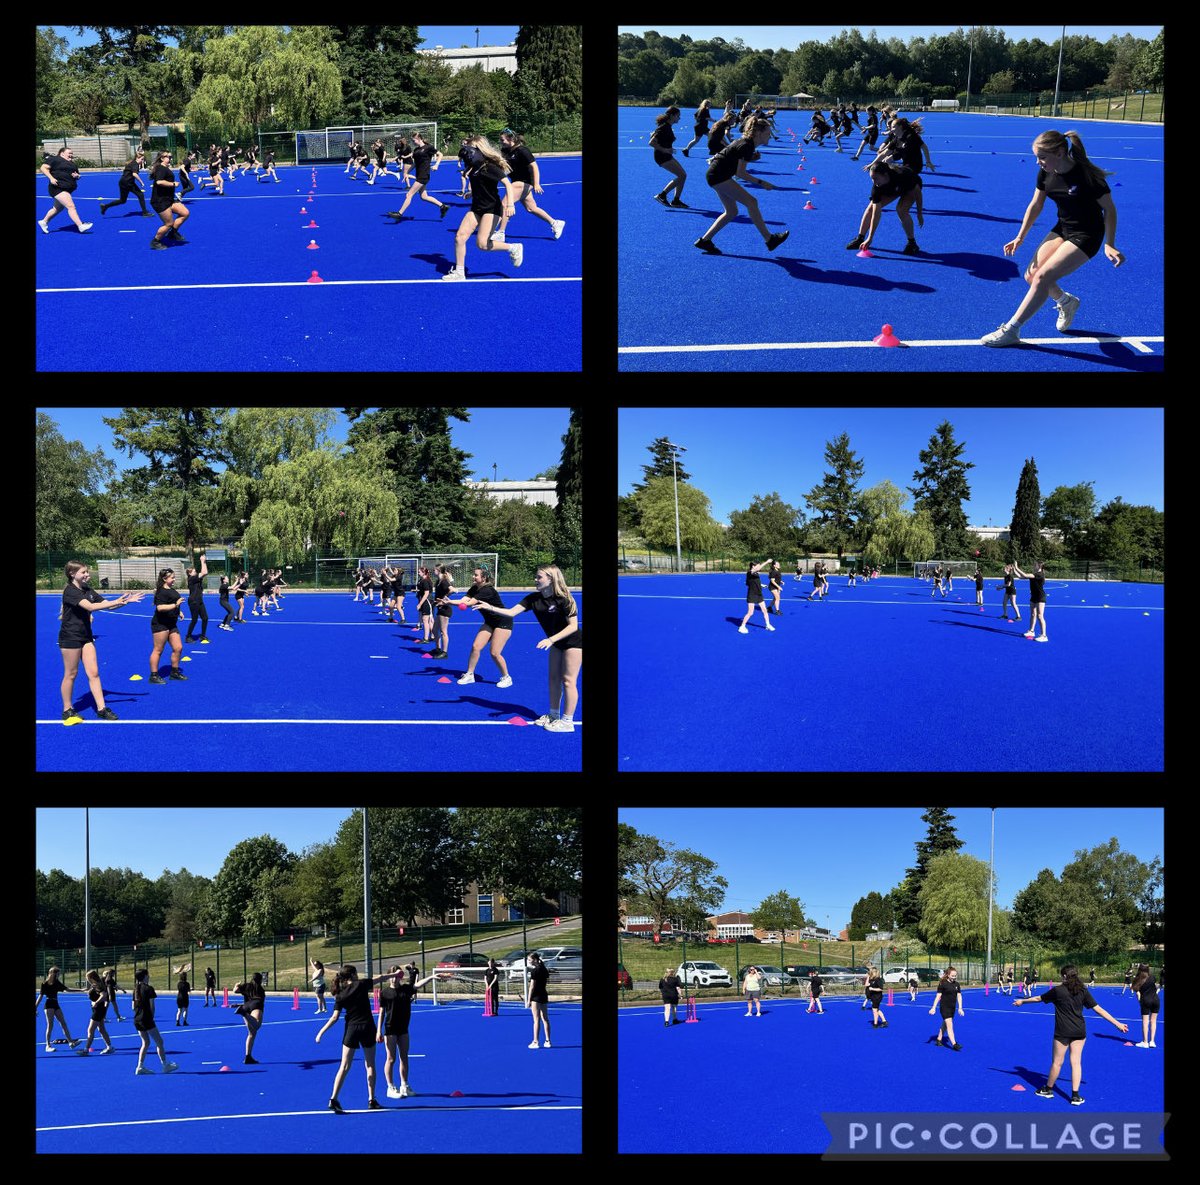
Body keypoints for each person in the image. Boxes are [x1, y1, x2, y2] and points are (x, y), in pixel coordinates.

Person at [982, 129, 1123, 347]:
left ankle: (1011, 330)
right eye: (1036, 157)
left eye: (1042, 157)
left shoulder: (1088, 177)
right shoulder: (1046, 173)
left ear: (1059, 152)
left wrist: (1109, 244)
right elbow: (1036, 205)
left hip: (1087, 235)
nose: (1038, 162)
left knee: (1042, 278)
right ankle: (1066, 302)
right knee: (1031, 276)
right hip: (1063, 228)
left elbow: (1110, 210)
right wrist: (1020, 237)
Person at [462, 565, 582, 732]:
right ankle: (553, 715)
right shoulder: (533, 598)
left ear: (551, 579)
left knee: (568, 681)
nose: (535, 579)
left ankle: (567, 722)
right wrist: (489, 607)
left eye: (539, 577)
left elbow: (573, 627)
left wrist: (550, 639)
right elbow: (511, 612)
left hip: (573, 643)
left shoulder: (564, 599)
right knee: (553, 679)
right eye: (536, 576)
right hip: (556, 643)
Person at [1014, 964, 1128, 1105]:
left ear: (1064, 976)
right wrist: (1118, 1024)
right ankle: (1075, 1096)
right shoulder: (1082, 990)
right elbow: (1099, 1009)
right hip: (1079, 1031)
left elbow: (1038, 999)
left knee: (1057, 1062)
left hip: (1062, 1032)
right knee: (1076, 1062)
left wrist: (1022, 1001)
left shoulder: (1057, 991)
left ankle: (1047, 1089)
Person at [58, 561, 147, 723]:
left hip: (86, 637)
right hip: (70, 637)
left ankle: (101, 708)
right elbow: (90, 607)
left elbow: (106, 605)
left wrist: (124, 601)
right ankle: (67, 709)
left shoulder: (88, 590)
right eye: (83, 572)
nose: (87, 575)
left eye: (87, 572)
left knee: (94, 672)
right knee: (71, 674)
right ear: (72, 574)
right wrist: (117, 601)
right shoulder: (70, 591)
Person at [694, 116, 789, 256]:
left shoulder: (747, 144)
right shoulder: (747, 145)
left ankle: (705, 241)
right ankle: (769, 239)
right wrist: (762, 183)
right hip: (719, 176)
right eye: (768, 133)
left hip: (716, 174)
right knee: (752, 202)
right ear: (758, 133)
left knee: (731, 212)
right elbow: (741, 174)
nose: (770, 135)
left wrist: (750, 158)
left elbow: (730, 153)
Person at [441, 135, 524, 282]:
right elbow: (482, 185)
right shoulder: (473, 168)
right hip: (476, 207)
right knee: (460, 237)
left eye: (470, 149)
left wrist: (510, 204)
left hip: (492, 209)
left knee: (482, 244)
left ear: (479, 149)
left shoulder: (489, 167)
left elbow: (507, 184)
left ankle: (513, 247)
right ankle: (460, 273)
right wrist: (471, 193)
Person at [315, 965, 383, 1112]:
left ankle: (333, 1098)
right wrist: (394, 975)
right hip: (367, 1027)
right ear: (352, 975)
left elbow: (334, 1017)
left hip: (351, 1030)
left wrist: (321, 1032)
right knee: (370, 1064)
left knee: (344, 1066)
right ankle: (372, 1099)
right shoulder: (361, 985)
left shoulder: (340, 995)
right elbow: (380, 979)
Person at [443, 566, 513, 688]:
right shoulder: (475, 588)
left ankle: (507, 677)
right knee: (476, 646)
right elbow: (464, 600)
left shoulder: (487, 590)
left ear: (484, 578)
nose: (473, 577)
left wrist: (453, 603)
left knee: (494, 652)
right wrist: (450, 602)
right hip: (490, 621)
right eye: (474, 574)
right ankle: (470, 674)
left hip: (503, 621)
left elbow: (469, 603)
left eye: (476, 575)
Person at [376, 963, 436, 1097]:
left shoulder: (406, 989)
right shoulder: (385, 993)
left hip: (403, 1029)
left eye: (398, 976)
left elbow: (418, 984)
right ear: (390, 977)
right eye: (394, 976)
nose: (396, 979)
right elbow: (381, 1012)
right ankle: (390, 1087)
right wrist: (378, 1031)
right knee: (391, 1059)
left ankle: (404, 1085)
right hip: (390, 1029)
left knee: (404, 1057)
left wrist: (432, 977)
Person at [846, 158, 924, 256]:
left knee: (901, 210)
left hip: (909, 188)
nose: (874, 182)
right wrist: (869, 238)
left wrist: (919, 213)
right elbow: (876, 213)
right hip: (891, 188)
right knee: (870, 208)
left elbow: (917, 193)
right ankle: (860, 238)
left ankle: (912, 243)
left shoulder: (903, 175)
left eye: (876, 178)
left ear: (885, 175)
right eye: (872, 179)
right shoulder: (877, 187)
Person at [497, 130, 565, 241]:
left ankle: (501, 232)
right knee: (531, 208)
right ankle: (555, 222)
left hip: (524, 182)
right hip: (517, 182)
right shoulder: (506, 151)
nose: (501, 142)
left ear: (511, 139)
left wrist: (537, 184)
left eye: (502, 140)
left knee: (505, 204)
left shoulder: (523, 151)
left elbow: (534, 167)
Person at [385, 131, 450, 223]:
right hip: (419, 175)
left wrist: (436, 165)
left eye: (413, 140)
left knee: (409, 194)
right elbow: (415, 164)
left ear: (418, 138)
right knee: (424, 196)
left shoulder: (428, 148)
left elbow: (440, 154)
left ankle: (399, 214)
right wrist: (407, 173)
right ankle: (443, 206)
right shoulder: (416, 150)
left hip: (424, 175)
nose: (412, 142)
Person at [131, 968, 179, 1075]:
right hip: (146, 1019)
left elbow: (133, 1006)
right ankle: (165, 1065)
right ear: (145, 976)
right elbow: (152, 1007)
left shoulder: (136, 989)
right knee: (159, 1042)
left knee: (146, 1042)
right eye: (148, 975)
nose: (149, 976)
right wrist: (150, 1018)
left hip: (137, 1019)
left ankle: (140, 1066)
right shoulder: (149, 989)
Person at [37, 146, 93, 234]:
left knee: (57, 208)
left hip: (67, 189)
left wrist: (77, 176)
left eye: (72, 153)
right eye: (69, 153)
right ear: (62, 153)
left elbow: (77, 174)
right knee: (71, 206)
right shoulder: (55, 159)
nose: (71, 155)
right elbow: (43, 168)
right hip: (57, 187)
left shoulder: (72, 164)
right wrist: (51, 178)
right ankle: (80, 225)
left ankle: (44, 221)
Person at [148, 569, 187, 683]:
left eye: (174, 577)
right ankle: (154, 676)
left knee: (178, 648)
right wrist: (175, 605)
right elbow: (160, 608)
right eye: (172, 578)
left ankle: (174, 672)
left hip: (171, 624)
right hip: (161, 624)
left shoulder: (171, 589)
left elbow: (174, 603)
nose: (174, 579)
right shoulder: (161, 591)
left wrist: (178, 611)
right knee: (158, 650)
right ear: (165, 579)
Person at [148, 151, 190, 250]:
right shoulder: (161, 168)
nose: (171, 158)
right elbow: (159, 182)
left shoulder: (164, 168)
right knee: (169, 223)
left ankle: (172, 233)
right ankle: (155, 241)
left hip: (169, 199)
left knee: (185, 213)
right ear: (162, 158)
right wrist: (173, 184)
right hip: (160, 201)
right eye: (168, 157)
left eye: (171, 156)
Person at [36, 966, 82, 1051]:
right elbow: (41, 996)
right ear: (52, 973)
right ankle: (48, 1046)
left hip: (55, 1004)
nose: (58, 975)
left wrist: (81, 990)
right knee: (50, 1025)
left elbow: (67, 989)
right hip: (49, 1004)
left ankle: (71, 1042)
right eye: (57, 974)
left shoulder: (57, 982)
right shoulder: (44, 983)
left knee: (63, 1023)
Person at [650, 107, 688, 208]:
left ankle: (676, 200)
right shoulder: (664, 127)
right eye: (678, 116)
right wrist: (665, 150)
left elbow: (655, 136)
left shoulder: (667, 126)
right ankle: (662, 195)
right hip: (662, 156)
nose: (679, 118)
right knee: (682, 176)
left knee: (683, 175)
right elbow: (651, 142)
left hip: (666, 155)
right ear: (672, 116)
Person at [99, 149, 150, 217]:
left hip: (123, 182)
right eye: (142, 159)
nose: (142, 161)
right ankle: (145, 213)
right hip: (128, 183)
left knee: (122, 200)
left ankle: (105, 206)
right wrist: (141, 182)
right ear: (137, 158)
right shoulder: (135, 164)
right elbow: (134, 174)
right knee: (141, 195)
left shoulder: (132, 163)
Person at [76, 970, 115, 1055]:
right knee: (101, 1029)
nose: (87, 980)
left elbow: (104, 995)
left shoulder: (98, 985)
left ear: (91, 978)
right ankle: (110, 1047)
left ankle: (86, 1050)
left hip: (98, 1009)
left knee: (90, 1029)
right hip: (98, 1009)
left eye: (88, 978)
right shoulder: (96, 985)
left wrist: (96, 1002)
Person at [233, 971, 265, 1064]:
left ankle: (248, 1057)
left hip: (246, 1006)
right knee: (257, 1025)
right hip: (256, 1005)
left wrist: (236, 984)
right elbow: (258, 1002)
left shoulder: (246, 986)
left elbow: (235, 990)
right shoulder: (261, 990)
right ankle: (244, 1013)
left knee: (251, 1033)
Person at [1012, 560, 1049, 642]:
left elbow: (1024, 574)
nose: (1033, 566)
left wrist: (1017, 567)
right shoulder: (1033, 575)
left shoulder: (1039, 575)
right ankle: (1031, 631)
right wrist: (1014, 569)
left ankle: (1044, 635)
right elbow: (1020, 577)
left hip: (1040, 597)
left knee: (1040, 616)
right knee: (1033, 614)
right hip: (1033, 597)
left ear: (1039, 566)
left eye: (1035, 565)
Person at [929, 966, 965, 1049]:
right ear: (948, 975)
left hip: (952, 1008)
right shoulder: (943, 983)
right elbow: (938, 996)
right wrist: (933, 1007)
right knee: (950, 1025)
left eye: (955, 976)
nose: (954, 977)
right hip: (944, 1008)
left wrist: (960, 1008)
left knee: (945, 1024)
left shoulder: (957, 984)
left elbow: (959, 996)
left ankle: (938, 1039)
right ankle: (954, 1044)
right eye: (952, 976)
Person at [738, 559, 775, 634]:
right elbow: (757, 570)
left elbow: (751, 582)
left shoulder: (756, 573)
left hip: (759, 594)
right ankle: (742, 626)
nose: (759, 567)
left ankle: (767, 625)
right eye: (758, 565)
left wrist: (761, 585)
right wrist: (767, 562)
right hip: (752, 595)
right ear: (753, 566)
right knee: (750, 612)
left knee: (764, 610)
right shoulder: (750, 572)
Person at [525, 952, 552, 1048]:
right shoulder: (544, 969)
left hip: (536, 997)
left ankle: (535, 1042)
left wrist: (528, 1000)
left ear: (535, 960)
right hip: (543, 995)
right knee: (545, 1019)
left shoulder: (535, 971)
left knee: (536, 1020)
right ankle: (548, 1041)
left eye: (529, 959)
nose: (528, 961)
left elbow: (532, 986)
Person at [429, 564, 456, 659]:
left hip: (445, 609)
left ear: (439, 570)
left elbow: (453, 590)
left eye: (435, 570)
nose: (433, 571)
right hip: (440, 609)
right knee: (434, 630)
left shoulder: (444, 581)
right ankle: (438, 648)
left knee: (443, 632)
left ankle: (444, 652)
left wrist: (444, 599)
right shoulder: (438, 581)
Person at [1131, 963, 1159, 1048]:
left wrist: (1140, 1001)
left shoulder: (1137, 979)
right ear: (1148, 969)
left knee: (1145, 1021)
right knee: (1153, 1021)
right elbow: (1156, 986)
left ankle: (1145, 1042)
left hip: (1146, 1001)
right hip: (1156, 1000)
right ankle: (1152, 1041)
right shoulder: (1152, 977)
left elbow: (1137, 993)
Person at [183, 552, 210, 643]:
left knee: (205, 618)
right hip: (193, 601)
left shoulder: (196, 578)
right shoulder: (191, 579)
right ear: (190, 573)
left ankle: (202, 636)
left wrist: (204, 562)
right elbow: (204, 572)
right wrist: (202, 561)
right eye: (194, 571)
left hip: (199, 600)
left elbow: (205, 572)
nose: (195, 572)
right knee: (194, 620)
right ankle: (188, 636)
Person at [416, 566, 435, 644]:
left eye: (419, 571)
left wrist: (420, 604)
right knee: (429, 619)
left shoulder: (425, 580)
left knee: (425, 619)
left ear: (423, 572)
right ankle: (433, 636)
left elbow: (427, 593)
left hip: (427, 601)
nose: (418, 573)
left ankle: (426, 638)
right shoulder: (423, 580)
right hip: (427, 600)